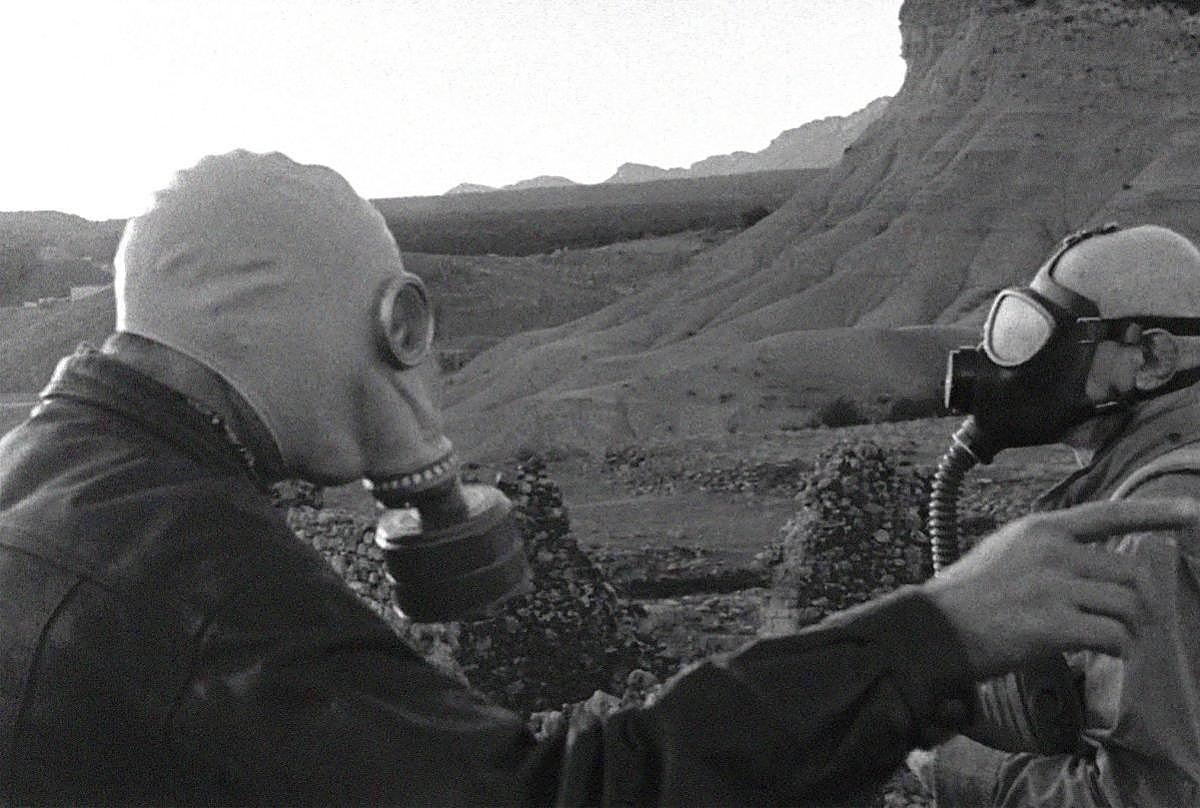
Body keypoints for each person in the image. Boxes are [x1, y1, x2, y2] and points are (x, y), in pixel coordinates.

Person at [0, 152, 1189, 805]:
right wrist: (934, 636)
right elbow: (557, 801)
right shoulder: (201, 581)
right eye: (397, 325)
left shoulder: (54, 480)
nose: (406, 367)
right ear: (302, 318)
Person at [917, 224, 1200, 806]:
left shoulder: (1153, 530)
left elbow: (1149, 798)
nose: (1021, 364)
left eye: (1049, 337)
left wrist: (950, 767)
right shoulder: (1149, 492)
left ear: (1153, 358)